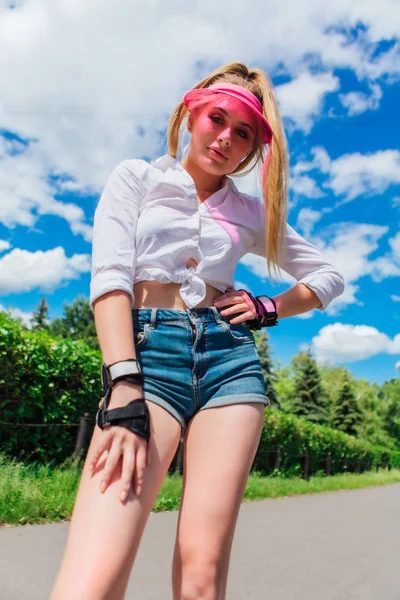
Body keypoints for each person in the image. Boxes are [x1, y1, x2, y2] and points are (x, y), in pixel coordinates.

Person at [51, 61, 344, 600]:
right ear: (191, 113)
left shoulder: (252, 211)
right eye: (218, 119)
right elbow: (111, 280)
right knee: (92, 581)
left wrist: (267, 307)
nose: (226, 137)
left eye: (244, 133)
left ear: (254, 148)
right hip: (147, 359)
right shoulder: (137, 178)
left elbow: (328, 277)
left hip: (229, 364)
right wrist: (122, 384)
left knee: (201, 574)